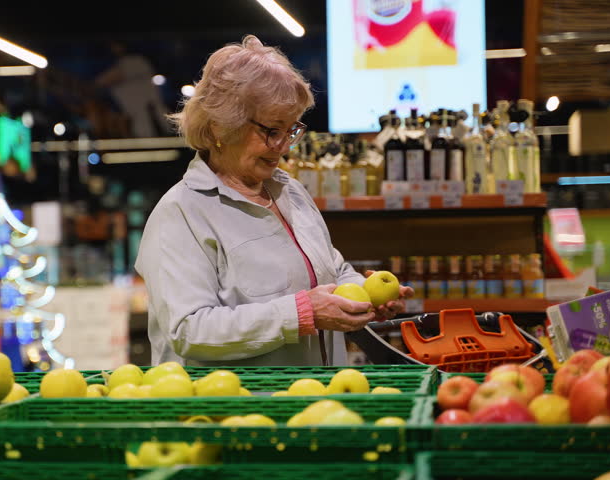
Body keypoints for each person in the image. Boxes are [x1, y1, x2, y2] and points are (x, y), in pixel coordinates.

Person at [135, 36, 414, 367]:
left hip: (315, 403)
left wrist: (361, 292)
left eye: (291, 130)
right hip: (239, 412)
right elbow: (189, 331)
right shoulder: (181, 214)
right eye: (271, 131)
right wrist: (300, 314)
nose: (284, 146)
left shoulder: (289, 192)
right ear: (220, 128)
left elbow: (331, 269)